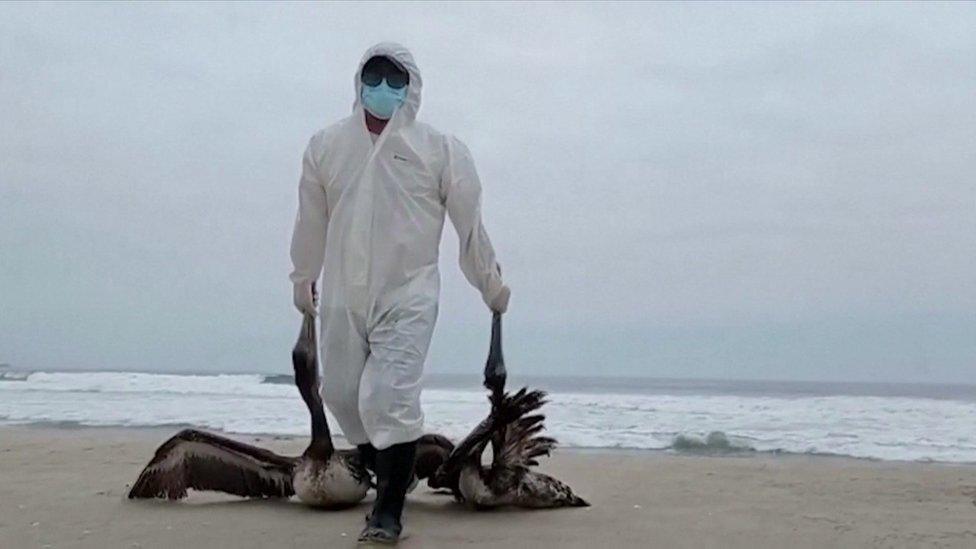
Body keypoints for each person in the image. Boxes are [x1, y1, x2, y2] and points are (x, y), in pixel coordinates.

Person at [289, 42, 509, 544]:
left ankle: (388, 512)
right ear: (358, 81)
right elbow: (310, 221)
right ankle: (392, 470)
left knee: (388, 395)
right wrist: (303, 278)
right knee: (344, 395)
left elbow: (469, 227)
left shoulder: (440, 150)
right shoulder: (325, 146)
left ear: (411, 88)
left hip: (407, 293)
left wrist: (491, 286)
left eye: (395, 81)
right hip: (345, 295)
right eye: (374, 78)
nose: (383, 90)